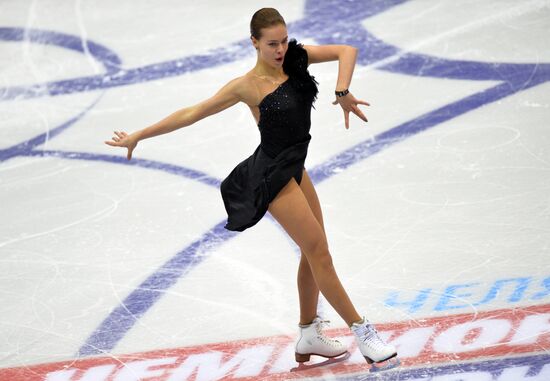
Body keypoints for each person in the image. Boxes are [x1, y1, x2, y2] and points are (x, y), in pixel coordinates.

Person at [105, 7, 397, 367]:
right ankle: (363, 331)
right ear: (254, 43)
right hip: (271, 176)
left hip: (295, 168)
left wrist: (343, 90)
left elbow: (346, 51)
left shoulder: (296, 58)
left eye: (284, 40)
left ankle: (309, 332)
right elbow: (191, 113)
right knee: (319, 252)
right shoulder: (247, 86)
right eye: (272, 43)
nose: (280, 50)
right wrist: (139, 135)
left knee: (314, 251)